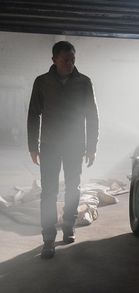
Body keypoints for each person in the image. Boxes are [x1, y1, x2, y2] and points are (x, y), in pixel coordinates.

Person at [27, 41, 99, 259]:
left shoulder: (84, 82)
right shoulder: (42, 82)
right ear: (54, 60)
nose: (70, 63)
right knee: (48, 192)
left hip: (74, 145)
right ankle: (48, 239)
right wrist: (33, 146)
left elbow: (92, 116)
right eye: (65, 60)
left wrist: (92, 147)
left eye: (73, 59)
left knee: (73, 187)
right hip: (49, 145)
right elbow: (33, 115)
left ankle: (68, 225)